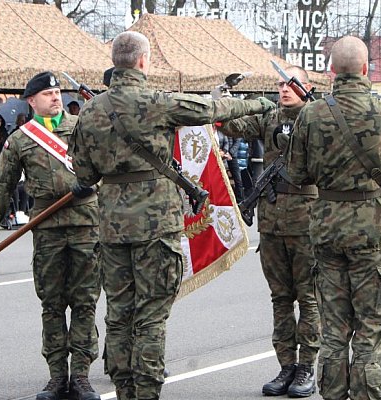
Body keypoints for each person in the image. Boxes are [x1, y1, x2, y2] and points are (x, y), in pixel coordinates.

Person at [68, 31, 275, 400]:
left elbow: (84, 176)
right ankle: (146, 391)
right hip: (155, 225)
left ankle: (123, 387)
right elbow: (213, 111)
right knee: (151, 314)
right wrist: (258, 104)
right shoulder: (157, 102)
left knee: (118, 311)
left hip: (112, 226)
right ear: (144, 61)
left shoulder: (91, 111)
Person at [287, 36, 381, 400]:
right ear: (366, 69)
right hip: (372, 233)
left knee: (334, 331)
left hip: (328, 230)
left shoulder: (310, 114)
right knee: (370, 330)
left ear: (331, 71)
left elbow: (296, 175)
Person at [0, 71, 102, 400]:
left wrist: (93, 183)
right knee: (52, 304)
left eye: (56, 92)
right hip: (47, 227)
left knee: (84, 303)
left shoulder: (82, 129)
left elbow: (107, 168)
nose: (55, 97)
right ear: (32, 101)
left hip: (86, 224)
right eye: (47, 94)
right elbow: (3, 187)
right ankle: (57, 376)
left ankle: (81, 376)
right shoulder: (21, 139)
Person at [217, 66, 320, 397]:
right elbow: (231, 126)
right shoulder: (269, 117)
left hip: (307, 222)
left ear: (308, 87)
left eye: (292, 84)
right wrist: (222, 97)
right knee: (280, 298)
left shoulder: (319, 117)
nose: (285, 89)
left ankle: (307, 367)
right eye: (281, 84)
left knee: (309, 297)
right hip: (273, 222)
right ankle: (286, 365)